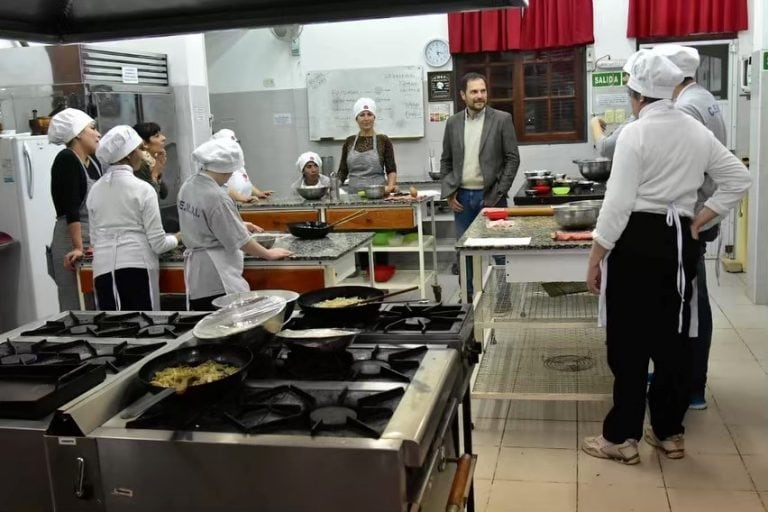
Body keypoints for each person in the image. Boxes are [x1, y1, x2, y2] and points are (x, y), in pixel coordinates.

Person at [581, 52, 750, 465]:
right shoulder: (694, 130)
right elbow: (738, 178)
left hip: (637, 241)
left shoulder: (635, 135)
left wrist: (596, 256)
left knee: (628, 342)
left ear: (636, 94)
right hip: (679, 242)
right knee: (674, 338)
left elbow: (617, 206)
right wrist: (702, 218)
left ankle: (622, 438)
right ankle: (670, 432)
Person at [655, 43, 728, 411]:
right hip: (704, 213)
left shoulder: (684, 107)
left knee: (692, 306)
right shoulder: (705, 98)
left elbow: (687, 166)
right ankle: (689, 377)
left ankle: (692, 385)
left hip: (694, 217)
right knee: (694, 301)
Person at [178, 138, 292, 311]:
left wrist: (238, 223)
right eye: (232, 171)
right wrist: (268, 254)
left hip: (197, 275)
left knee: (206, 321)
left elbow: (203, 221)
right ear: (226, 169)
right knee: (227, 326)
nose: (232, 175)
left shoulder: (189, 185)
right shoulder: (216, 196)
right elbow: (241, 241)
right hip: (218, 275)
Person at [439, 72, 520, 300]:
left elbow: (512, 158)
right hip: (462, 199)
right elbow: (446, 160)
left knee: (500, 252)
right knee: (465, 254)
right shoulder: (453, 122)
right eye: (474, 92)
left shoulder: (502, 119)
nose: (480, 96)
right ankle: (468, 302)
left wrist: (499, 192)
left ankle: (503, 300)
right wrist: (448, 191)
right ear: (463, 95)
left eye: (483, 91)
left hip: (492, 198)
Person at [87, 126, 179, 311]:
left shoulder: (95, 190)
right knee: (145, 328)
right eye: (139, 149)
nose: (143, 154)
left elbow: (95, 239)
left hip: (102, 269)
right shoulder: (142, 189)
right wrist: (178, 237)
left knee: (113, 329)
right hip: (137, 266)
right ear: (128, 155)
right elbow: (158, 244)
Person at [47, 108, 102, 311]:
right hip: (72, 239)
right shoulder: (66, 160)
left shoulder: (93, 161)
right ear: (78, 133)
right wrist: (78, 247)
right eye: (92, 128)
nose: (98, 134)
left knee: (95, 302)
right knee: (77, 304)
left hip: (91, 239)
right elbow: (71, 209)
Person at [590, 50, 651, 159]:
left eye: (627, 75)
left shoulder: (638, 119)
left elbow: (606, 148)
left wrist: (594, 123)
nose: (624, 79)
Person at [337, 98, 398, 194]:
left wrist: (390, 187)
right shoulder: (349, 141)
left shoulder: (383, 140)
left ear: (374, 117)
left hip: (378, 195)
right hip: (353, 196)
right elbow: (342, 171)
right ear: (356, 119)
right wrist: (332, 188)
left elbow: (391, 169)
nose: (366, 119)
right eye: (362, 115)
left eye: (369, 114)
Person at [211, 129, 273, 203]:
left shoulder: (238, 163)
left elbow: (246, 182)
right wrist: (243, 198)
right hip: (233, 205)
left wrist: (259, 193)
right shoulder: (218, 167)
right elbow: (225, 188)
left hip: (245, 205)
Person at [132, 122, 169, 200]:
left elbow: (164, 194)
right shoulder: (140, 165)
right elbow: (151, 200)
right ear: (144, 144)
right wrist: (155, 173)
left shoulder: (152, 161)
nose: (163, 138)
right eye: (157, 136)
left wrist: (158, 169)